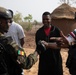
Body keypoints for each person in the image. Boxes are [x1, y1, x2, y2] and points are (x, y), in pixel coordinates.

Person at [0, 6, 38, 75]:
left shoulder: (18, 27)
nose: (9, 25)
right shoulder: (9, 44)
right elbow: (26, 63)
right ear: (0, 22)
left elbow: (22, 39)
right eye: (8, 22)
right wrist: (37, 51)